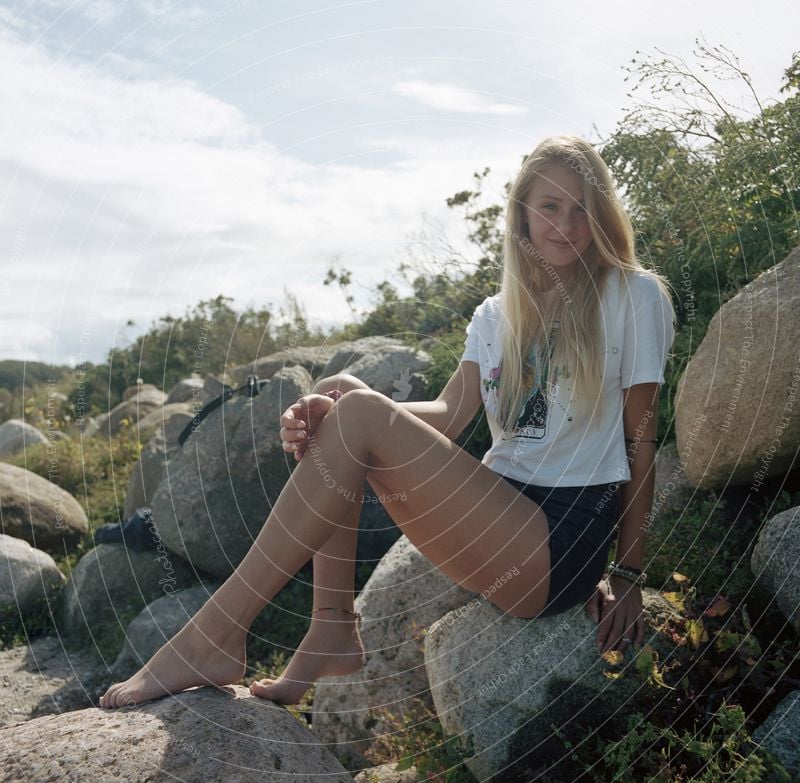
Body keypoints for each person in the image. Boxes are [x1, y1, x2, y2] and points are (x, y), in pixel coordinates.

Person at [99, 135, 675, 710]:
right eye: (550, 206)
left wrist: (627, 573)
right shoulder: (497, 313)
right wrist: (339, 407)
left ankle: (214, 634)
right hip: (497, 515)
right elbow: (449, 416)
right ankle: (331, 624)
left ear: (602, 214)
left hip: (558, 540)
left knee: (359, 409)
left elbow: (640, 439)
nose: (566, 224)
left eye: (582, 208)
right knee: (339, 392)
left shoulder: (632, 296)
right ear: (522, 212)